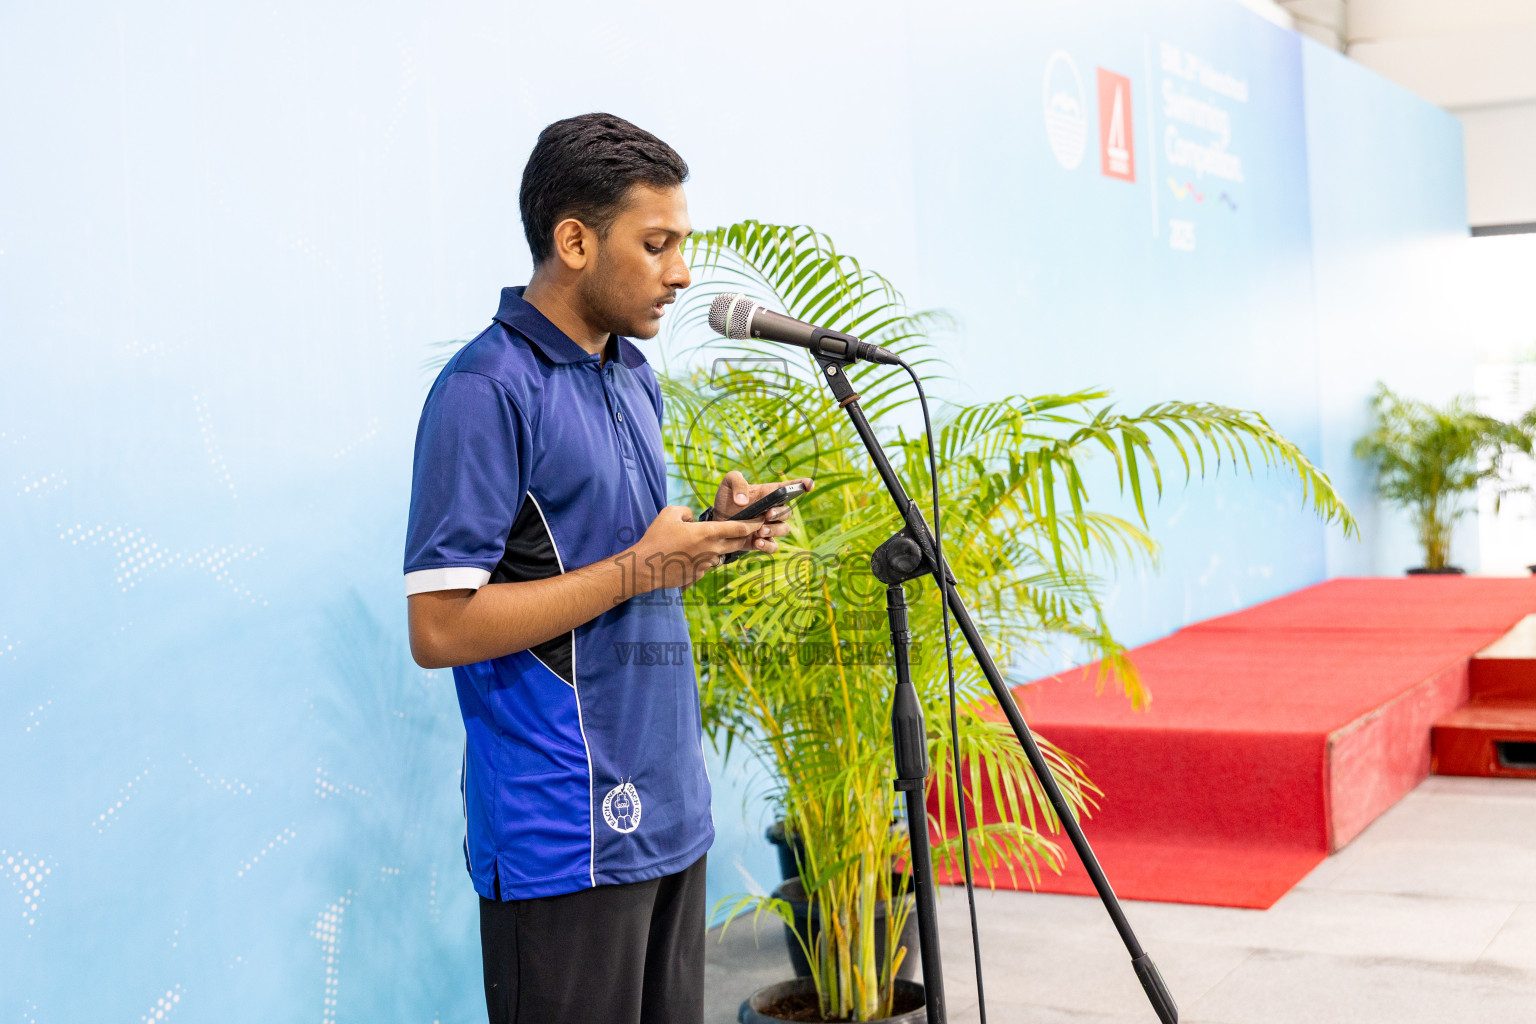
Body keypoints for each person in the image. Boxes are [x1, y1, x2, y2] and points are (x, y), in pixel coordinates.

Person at [403, 112, 811, 1024]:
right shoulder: (485, 391)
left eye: (683, 244)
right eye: (657, 243)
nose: (682, 271)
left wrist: (707, 536)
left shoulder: (632, 376)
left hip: (669, 807)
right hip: (562, 830)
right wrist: (639, 568)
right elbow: (439, 629)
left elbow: (615, 563)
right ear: (575, 240)